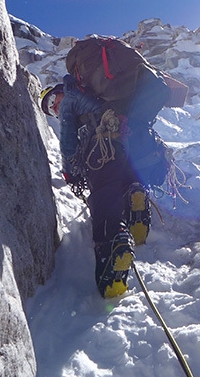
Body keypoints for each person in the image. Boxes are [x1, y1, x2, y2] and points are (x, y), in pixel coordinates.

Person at [40, 62, 165, 298]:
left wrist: (69, 172)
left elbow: (67, 143)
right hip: (123, 144)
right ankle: (135, 200)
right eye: (50, 110)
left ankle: (112, 241)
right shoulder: (97, 96)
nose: (54, 108)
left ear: (59, 92)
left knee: (103, 192)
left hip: (98, 148)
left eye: (51, 101)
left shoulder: (69, 99)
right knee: (122, 179)